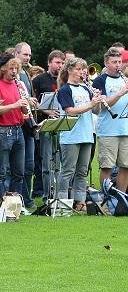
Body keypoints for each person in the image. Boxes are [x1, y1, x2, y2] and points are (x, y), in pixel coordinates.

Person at [56, 58, 102, 212]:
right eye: (78, 69)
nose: (82, 72)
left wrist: (98, 100)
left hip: (87, 134)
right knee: (68, 170)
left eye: (83, 69)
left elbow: (96, 111)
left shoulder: (86, 88)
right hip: (71, 136)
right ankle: (62, 202)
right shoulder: (64, 89)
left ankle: (80, 201)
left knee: (82, 170)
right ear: (69, 70)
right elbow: (70, 110)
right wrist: (90, 103)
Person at [0, 54, 27, 205]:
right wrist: (15, 105)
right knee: (1, 172)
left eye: (16, 68)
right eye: (11, 68)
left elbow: (23, 111)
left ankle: (14, 204)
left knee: (18, 172)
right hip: (2, 131)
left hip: (18, 130)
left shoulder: (18, 85)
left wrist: (25, 104)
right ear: (3, 69)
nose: (14, 71)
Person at [31, 50, 65, 201]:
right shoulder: (39, 80)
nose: (60, 66)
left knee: (59, 162)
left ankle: (58, 193)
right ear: (49, 63)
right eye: (57, 62)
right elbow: (32, 101)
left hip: (63, 124)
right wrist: (47, 110)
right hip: (46, 124)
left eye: (62, 63)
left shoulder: (65, 79)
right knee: (46, 162)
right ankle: (47, 194)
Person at [93, 48, 128, 192]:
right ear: (106, 63)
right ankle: (107, 200)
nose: (118, 65)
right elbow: (101, 106)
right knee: (107, 167)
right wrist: (121, 92)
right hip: (108, 130)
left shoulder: (125, 79)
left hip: (125, 128)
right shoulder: (100, 80)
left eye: (120, 62)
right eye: (114, 62)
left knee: (126, 166)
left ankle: (120, 199)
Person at [14, 42, 38, 208]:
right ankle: (18, 198)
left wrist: (32, 101)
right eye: (25, 55)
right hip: (16, 123)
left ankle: (26, 197)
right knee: (18, 166)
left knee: (29, 165)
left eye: (29, 55)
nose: (27, 58)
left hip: (28, 123)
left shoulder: (26, 74)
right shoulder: (13, 74)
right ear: (16, 54)